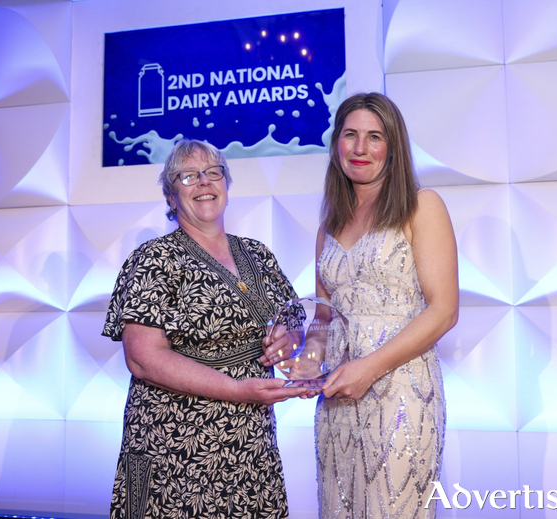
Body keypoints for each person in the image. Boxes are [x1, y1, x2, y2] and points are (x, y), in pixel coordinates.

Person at [102, 138, 307, 519]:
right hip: (174, 448)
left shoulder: (257, 253)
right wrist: (234, 390)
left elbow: (293, 319)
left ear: (226, 185)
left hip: (250, 446)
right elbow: (142, 358)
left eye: (213, 173)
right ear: (170, 195)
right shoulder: (153, 259)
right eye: (189, 176)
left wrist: (287, 340)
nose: (204, 182)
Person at [313, 92, 459, 518]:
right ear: (336, 143)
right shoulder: (327, 227)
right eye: (350, 135)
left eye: (374, 137)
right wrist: (302, 359)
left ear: (392, 147)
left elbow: (444, 310)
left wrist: (368, 368)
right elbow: (324, 317)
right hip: (338, 397)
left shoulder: (422, 206)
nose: (360, 149)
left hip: (401, 392)